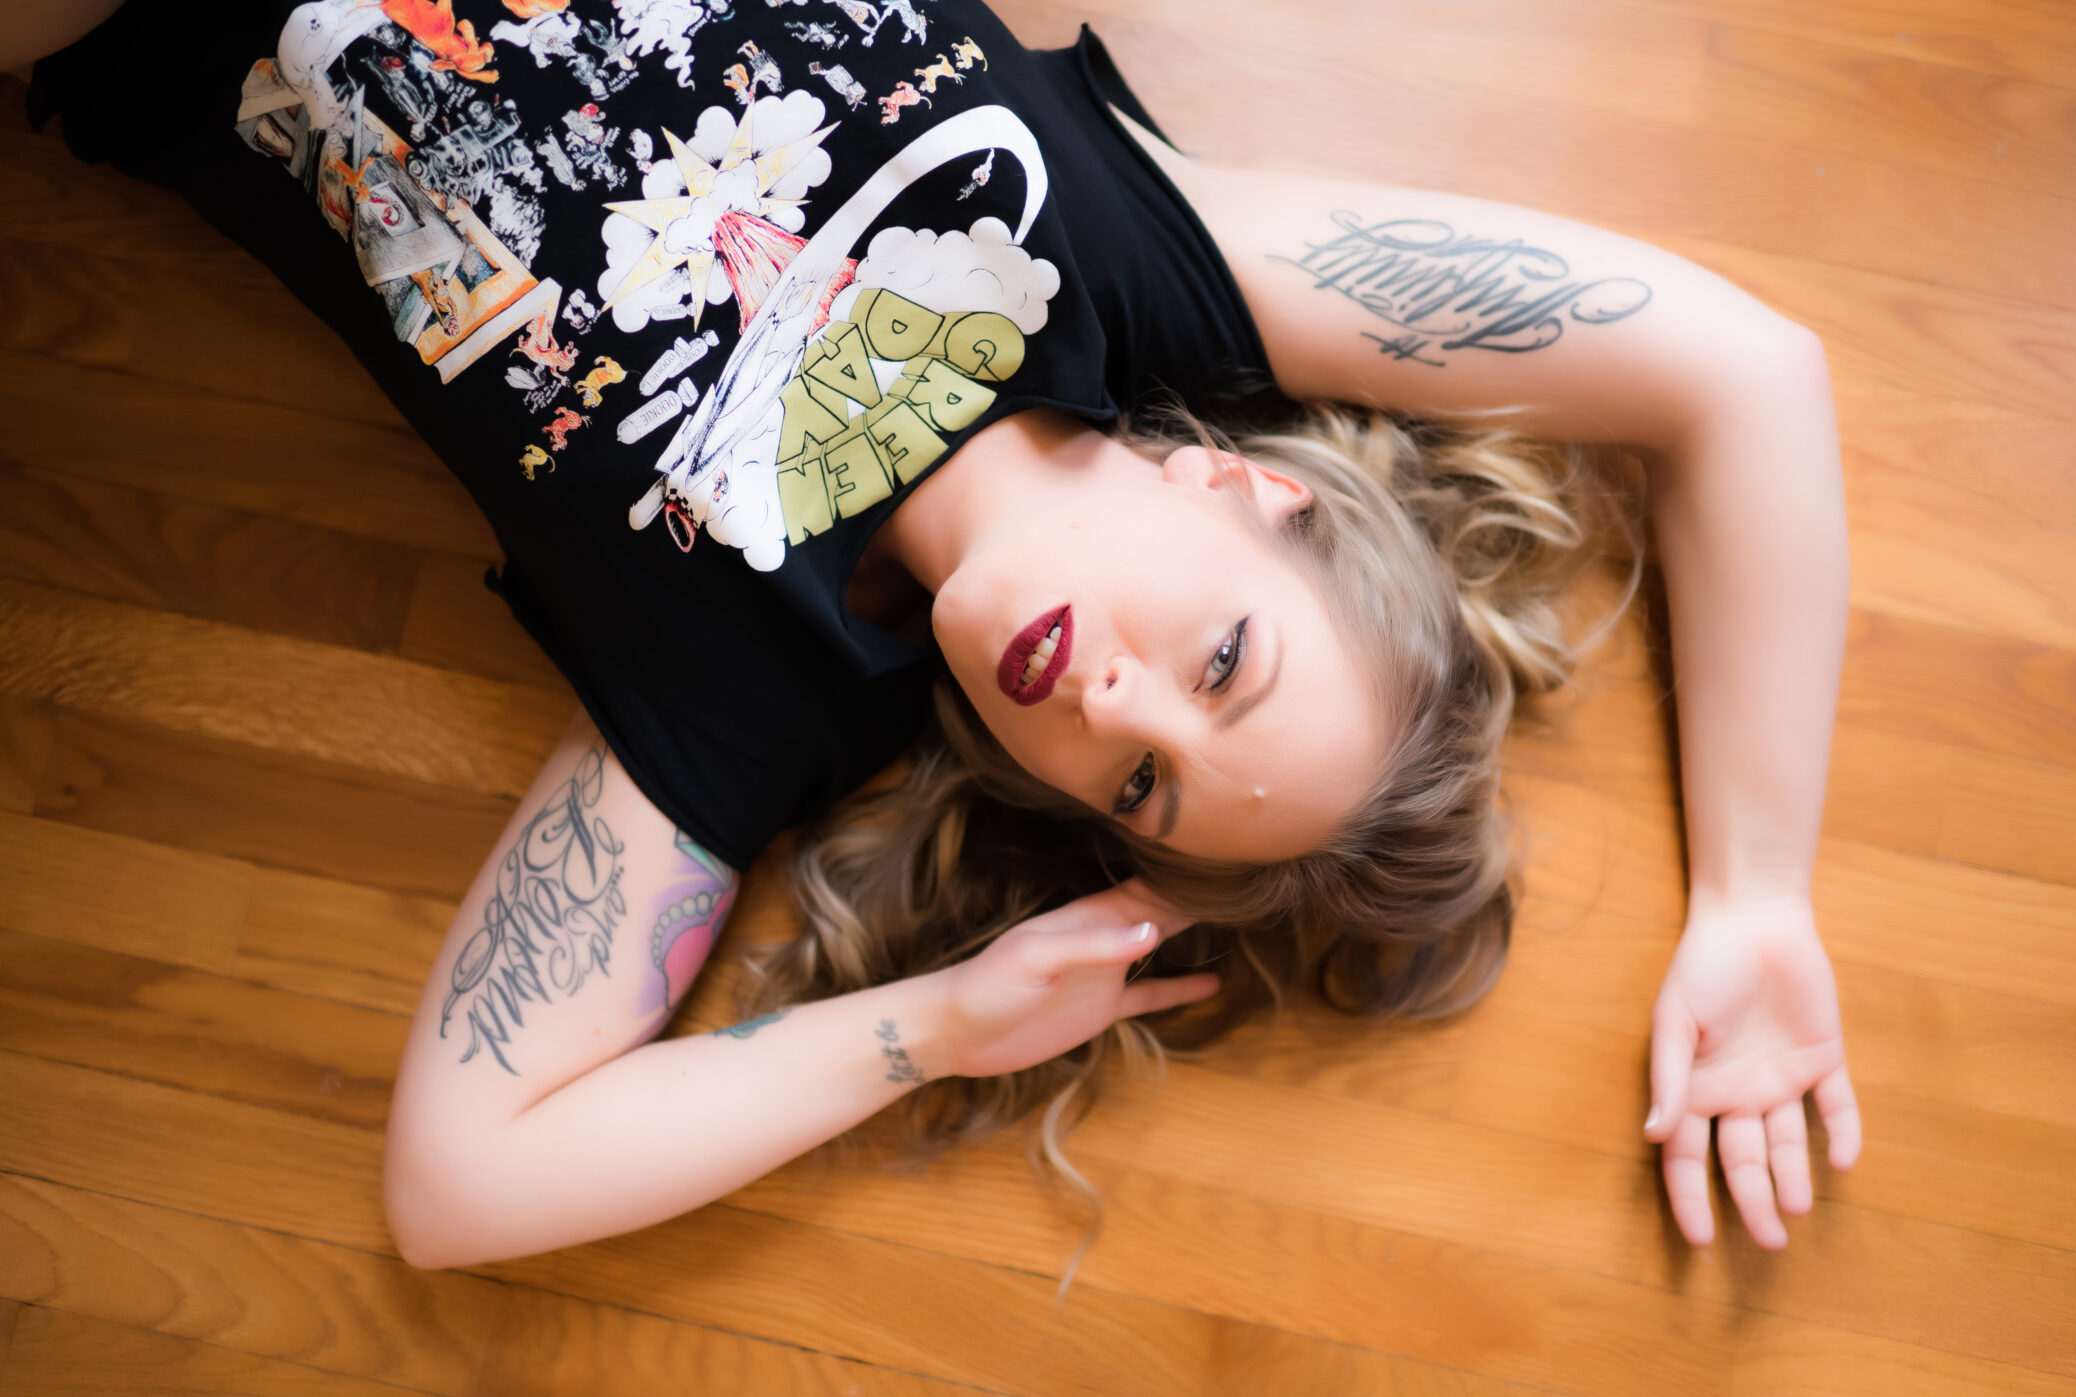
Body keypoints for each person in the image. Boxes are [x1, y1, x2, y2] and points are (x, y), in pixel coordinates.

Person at [11, 0, 1860, 1275]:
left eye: (1142, 778)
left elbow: (459, 1177)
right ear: (1239, 493)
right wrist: (1758, 896)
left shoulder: (753, 684)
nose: (1123, 701)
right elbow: (1745, 378)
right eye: (1224, 664)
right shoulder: (1155, 265)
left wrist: (943, 1027)